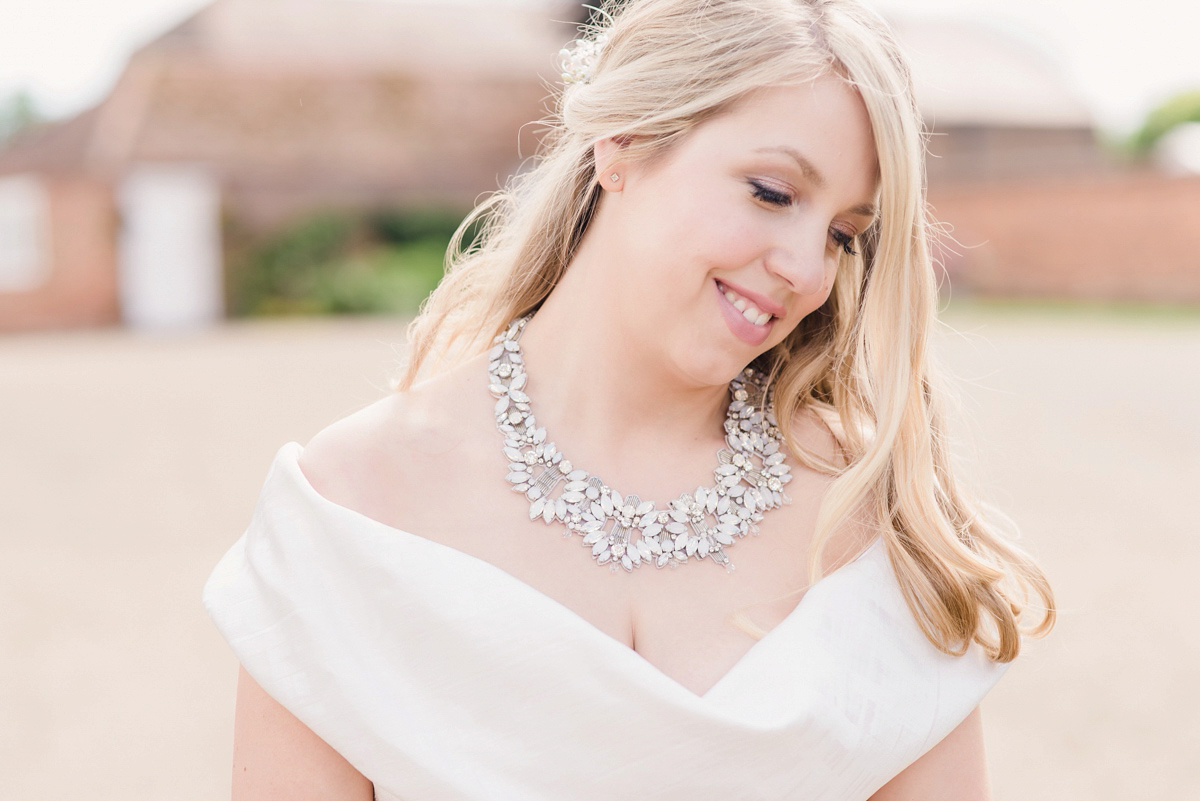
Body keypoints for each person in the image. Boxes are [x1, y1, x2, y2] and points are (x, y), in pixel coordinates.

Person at [204, 0, 1055, 798]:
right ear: (624, 143)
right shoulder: (351, 509)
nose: (806, 270)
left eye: (843, 235)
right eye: (772, 192)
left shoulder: (871, 514)